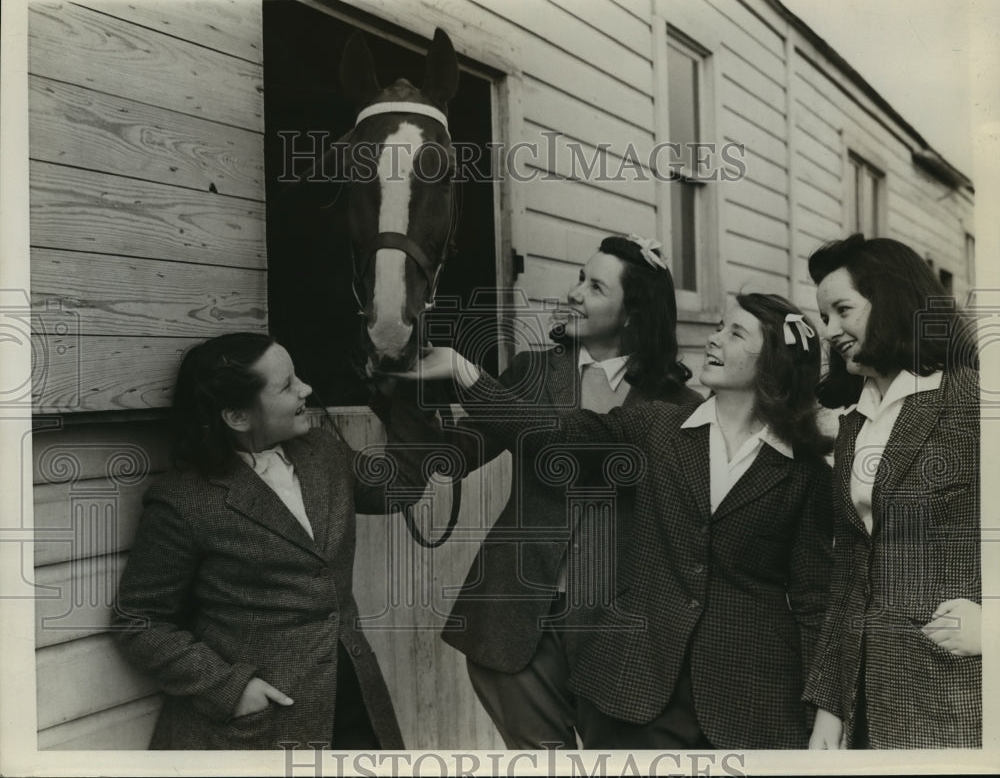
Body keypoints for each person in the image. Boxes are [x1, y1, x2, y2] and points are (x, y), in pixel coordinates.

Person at [401, 292, 834, 749]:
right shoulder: (656, 428)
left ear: (774, 364)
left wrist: (825, 711)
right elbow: (555, 441)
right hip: (640, 692)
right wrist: (466, 373)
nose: (714, 338)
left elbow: (814, 602)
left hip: (752, 701)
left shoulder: (804, 473)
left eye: (735, 332)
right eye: (719, 325)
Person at [398, 235, 701, 748]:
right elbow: (454, 455)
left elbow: (584, 458)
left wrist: (469, 376)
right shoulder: (532, 372)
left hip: (620, 630)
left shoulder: (681, 405)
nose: (574, 292)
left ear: (632, 313)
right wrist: (407, 393)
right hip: (517, 619)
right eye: (579, 277)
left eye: (595, 285)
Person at [113, 332, 428, 749]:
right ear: (238, 417)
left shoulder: (322, 451)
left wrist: (404, 393)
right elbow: (139, 620)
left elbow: (400, 487)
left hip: (350, 700)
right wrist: (229, 688)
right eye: (286, 386)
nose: (307, 389)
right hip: (259, 727)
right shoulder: (184, 500)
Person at [803, 235, 981, 749]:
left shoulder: (972, 401)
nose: (830, 331)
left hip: (957, 698)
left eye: (843, 310)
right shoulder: (858, 420)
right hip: (866, 702)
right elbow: (849, 577)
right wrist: (830, 711)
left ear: (894, 302)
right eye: (824, 318)